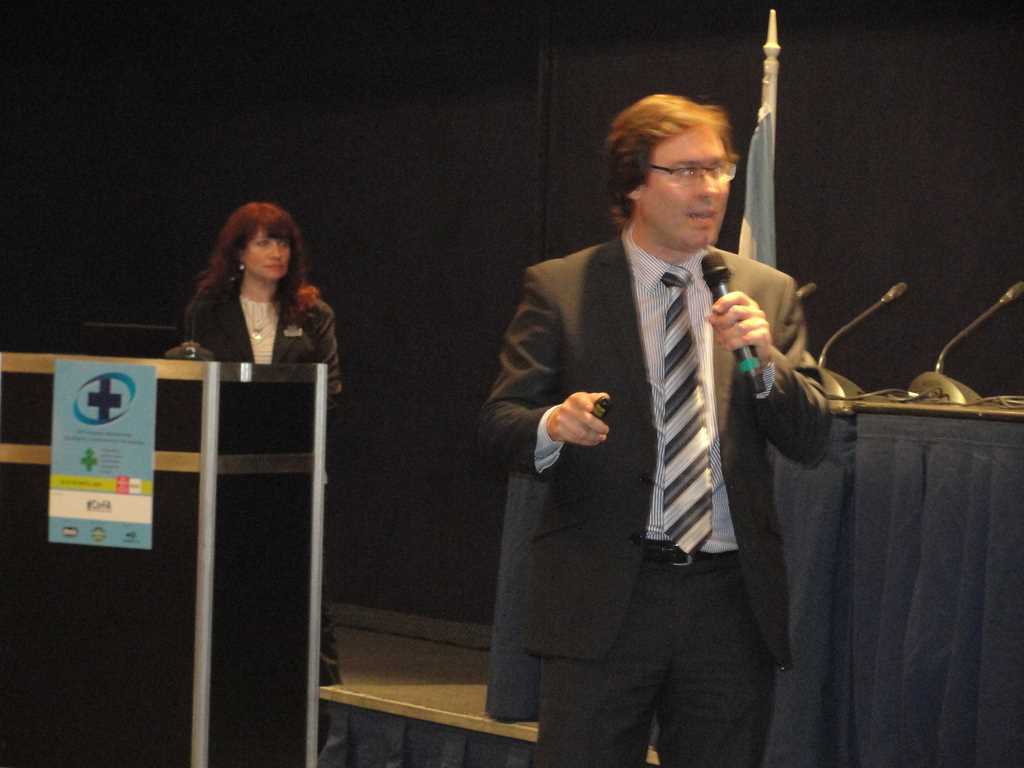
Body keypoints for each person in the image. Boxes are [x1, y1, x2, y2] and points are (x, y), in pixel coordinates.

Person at [478, 94, 831, 768]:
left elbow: (811, 439)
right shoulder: (562, 288)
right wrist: (554, 425)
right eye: (687, 171)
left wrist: (766, 362)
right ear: (634, 183)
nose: (711, 188)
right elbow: (500, 424)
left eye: (720, 168)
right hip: (605, 597)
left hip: (728, 605)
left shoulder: (765, 291)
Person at [185, 201, 344, 754]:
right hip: (227, 477)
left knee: (305, 594)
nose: (276, 252)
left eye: (283, 242)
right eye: (262, 242)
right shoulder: (207, 310)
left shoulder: (313, 313)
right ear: (238, 252)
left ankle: (320, 722)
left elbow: (330, 391)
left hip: (295, 475)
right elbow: (193, 383)